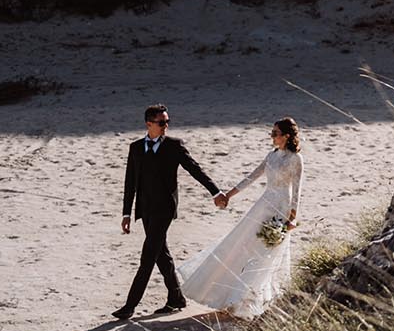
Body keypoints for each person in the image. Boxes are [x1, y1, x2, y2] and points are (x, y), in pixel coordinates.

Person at [175, 117, 305, 318]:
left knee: (266, 253)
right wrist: (228, 194)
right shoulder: (272, 156)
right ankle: (232, 296)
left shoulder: (295, 159)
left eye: (275, 133)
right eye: (272, 132)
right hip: (264, 205)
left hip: (281, 208)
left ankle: (249, 300)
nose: (272, 136)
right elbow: (252, 177)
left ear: (287, 136)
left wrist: (292, 218)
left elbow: (297, 190)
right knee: (242, 244)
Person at [113, 104, 223, 320]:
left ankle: (129, 305)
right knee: (161, 255)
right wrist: (126, 213)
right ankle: (176, 298)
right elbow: (130, 183)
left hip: (165, 209)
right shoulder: (135, 148)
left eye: (167, 122)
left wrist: (215, 192)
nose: (166, 126)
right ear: (149, 124)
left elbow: (195, 169)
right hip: (145, 210)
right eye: (162, 122)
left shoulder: (174, 146)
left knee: (148, 256)